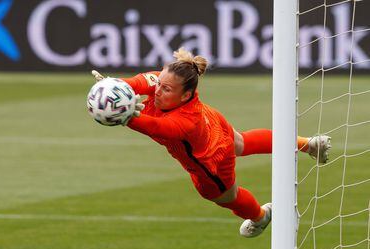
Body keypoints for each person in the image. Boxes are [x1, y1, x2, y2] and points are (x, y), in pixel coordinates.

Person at [90, 47, 331, 238]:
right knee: (242, 141)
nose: (158, 90)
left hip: (210, 160)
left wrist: (124, 114)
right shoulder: (162, 82)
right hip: (214, 122)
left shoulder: (185, 122)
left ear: (185, 95)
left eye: (166, 89)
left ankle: (261, 216)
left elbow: (157, 127)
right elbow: (136, 83)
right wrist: (113, 88)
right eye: (159, 83)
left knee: (227, 197)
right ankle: (309, 144)